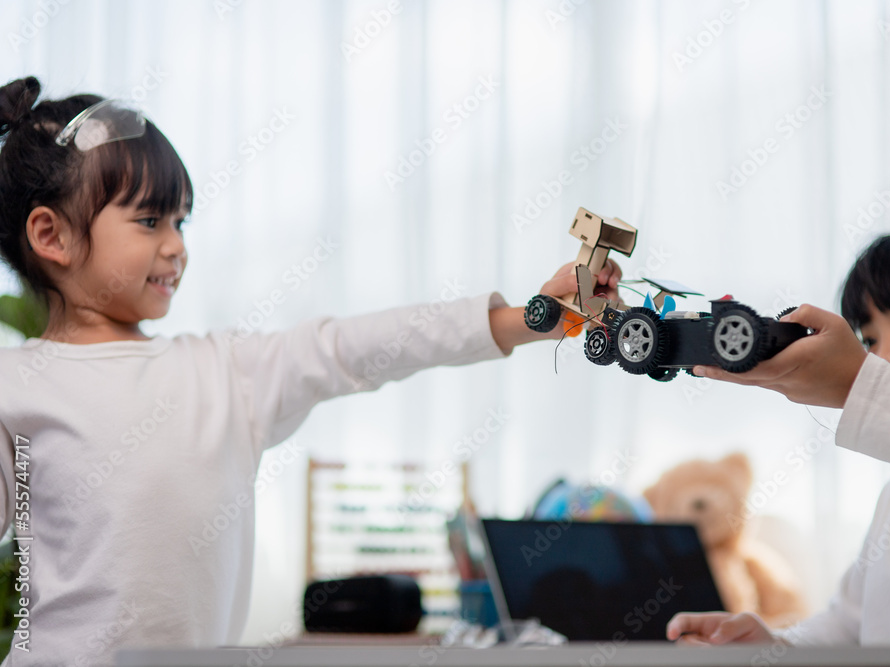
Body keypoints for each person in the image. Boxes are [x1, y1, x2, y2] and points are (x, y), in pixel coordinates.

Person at [0, 77, 620, 666]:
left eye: (180, 221)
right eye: (149, 220)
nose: (176, 246)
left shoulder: (225, 372)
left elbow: (357, 346)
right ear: (51, 236)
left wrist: (531, 319)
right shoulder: (15, 387)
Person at [667, 214, 890, 647]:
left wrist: (855, 382)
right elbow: (849, 625)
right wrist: (774, 646)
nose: (887, 357)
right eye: (869, 339)